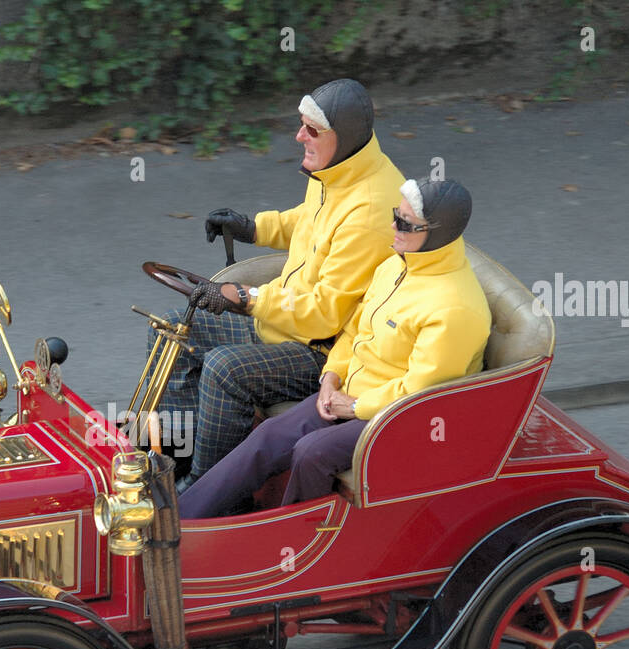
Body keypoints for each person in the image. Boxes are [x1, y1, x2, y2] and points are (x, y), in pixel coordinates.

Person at [178, 176, 491, 520]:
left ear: (437, 234)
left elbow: (418, 393)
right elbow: (355, 330)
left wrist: (355, 406)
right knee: (269, 437)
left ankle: (289, 543)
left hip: (398, 420)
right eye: (394, 214)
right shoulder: (394, 266)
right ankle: (184, 518)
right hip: (350, 396)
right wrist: (331, 376)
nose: (392, 226)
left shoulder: (455, 308)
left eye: (404, 222)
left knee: (312, 452)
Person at [143, 78, 404, 489]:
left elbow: (323, 315)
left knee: (224, 369)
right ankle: (172, 461)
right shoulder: (338, 170)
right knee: (175, 328)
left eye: (312, 130)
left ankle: (205, 490)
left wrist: (246, 297)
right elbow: (307, 222)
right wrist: (252, 228)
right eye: (301, 125)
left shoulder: (369, 208)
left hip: (323, 350)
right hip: (285, 323)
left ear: (344, 136)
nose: (299, 136)